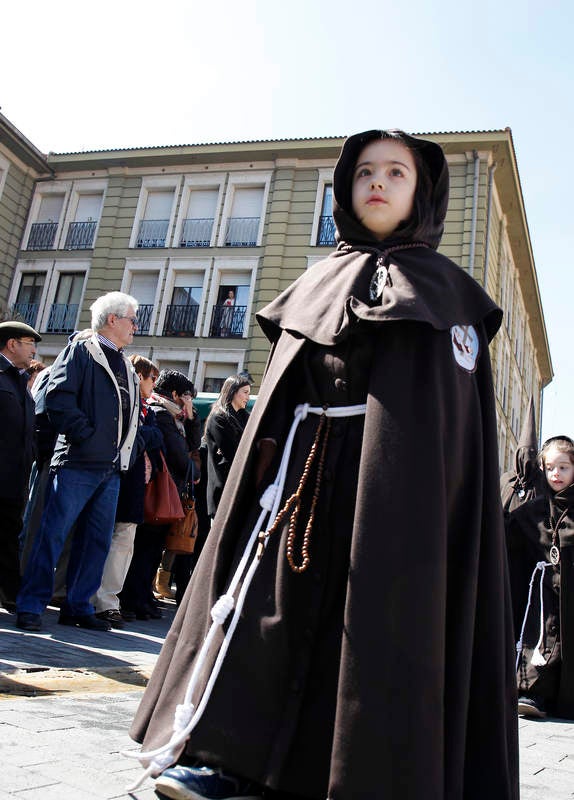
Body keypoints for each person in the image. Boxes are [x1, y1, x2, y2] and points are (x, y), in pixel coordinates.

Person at [128, 130, 518, 800]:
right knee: (269, 620)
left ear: (421, 192)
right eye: (365, 171)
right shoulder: (316, 281)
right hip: (303, 490)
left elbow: (446, 430)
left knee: (376, 636)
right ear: (344, 188)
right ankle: (231, 764)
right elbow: (282, 399)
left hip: (396, 509)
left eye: (396, 172)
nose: (378, 181)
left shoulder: (450, 297)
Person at [15, 292, 141, 632]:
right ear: (112, 320)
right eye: (132, 319)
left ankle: (78, 605)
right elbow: (57, 399)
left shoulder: (125, 363)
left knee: (96, 541)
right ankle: (31, 604)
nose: (135, 326)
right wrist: (86, 436)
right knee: (52, 535)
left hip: (110, 468)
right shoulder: (80, 350)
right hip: (76, 462)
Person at [120, 369, 200, 619]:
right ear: (175, 394)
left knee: (152, 549)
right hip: (155, 491)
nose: (189, 401)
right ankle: (134, 598)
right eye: (186, 396)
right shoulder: (163, 415)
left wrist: (191, 418)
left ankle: (142, 597)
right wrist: (194, 470)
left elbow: (192, 446)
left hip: (163, 489)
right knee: (145, 548)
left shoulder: (173, 416)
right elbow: (181, 455)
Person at [93, 355, 163, 628]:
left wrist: (143, 435)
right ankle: (101, 601)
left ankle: (109, 600)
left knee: (124, 543)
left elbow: (154, 439)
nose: (154, 384)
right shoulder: (127, 403)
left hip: (133, 485)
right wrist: (143, 435)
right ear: (138, 376)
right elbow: (133, 436)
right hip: (118, 479)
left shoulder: (149, 409)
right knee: (107, 540)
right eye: (151, 378)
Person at [507, 435, 574, 720]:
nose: (556, 474)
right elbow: (509, 536)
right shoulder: (534, 510)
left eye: (563, 467)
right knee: (540, 636)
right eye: (550, 468)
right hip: (543, 592)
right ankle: (533, 693)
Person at [0, 321, 41, 612]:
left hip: (15, 477)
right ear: (12, 344)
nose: (34, 350)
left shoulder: (17, 378)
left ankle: (9, 592)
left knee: (8, 533)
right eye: (29, 343)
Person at [205, 374, 251, 518]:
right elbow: (233, 452)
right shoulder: (218, 417)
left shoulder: (245, 417)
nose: (248, 397)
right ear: (232, 392)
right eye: (245, 392)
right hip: (223, 486)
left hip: (240, 486)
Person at [500, 396, 545, 519]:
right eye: (523, 453)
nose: (526, 459)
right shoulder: (506, 480)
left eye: (531, 453)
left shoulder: (542, 483)